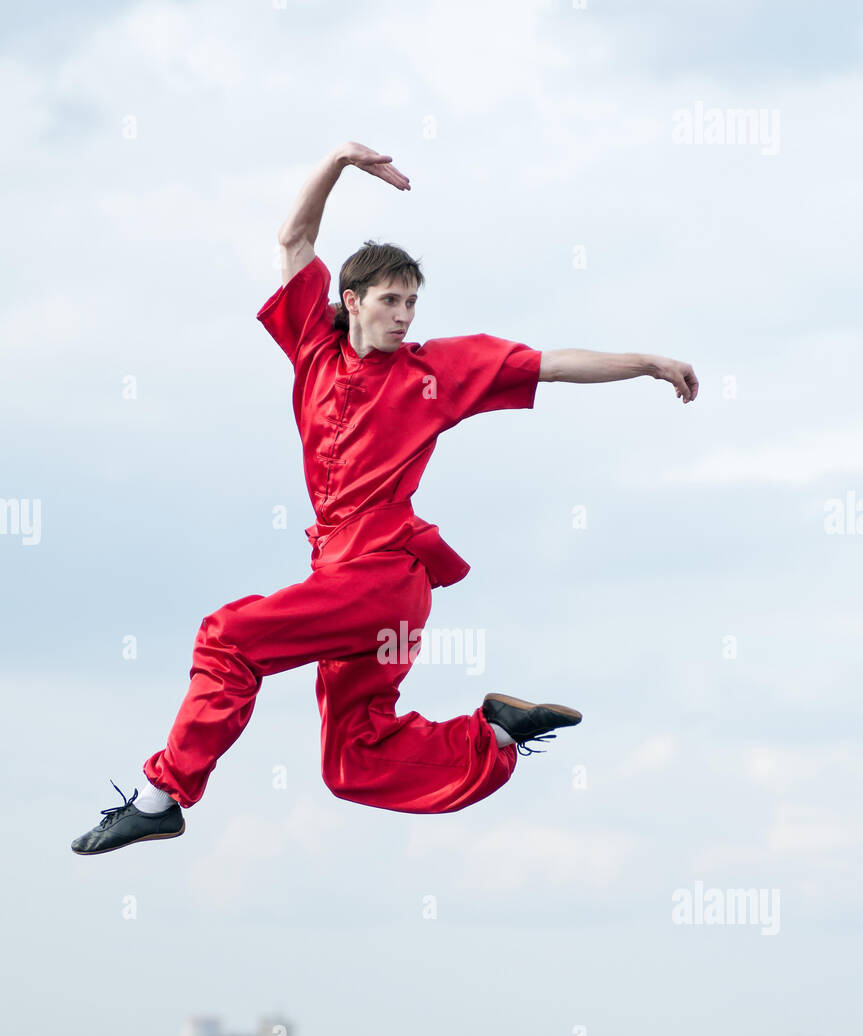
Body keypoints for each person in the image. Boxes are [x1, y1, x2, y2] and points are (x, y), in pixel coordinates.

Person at [71, 142, 697, 856]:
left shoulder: (438, 370)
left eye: (411, 302)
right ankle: (490, 732)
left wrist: (645, 362)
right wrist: (336, 162)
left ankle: (161, 797)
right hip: (341, 580)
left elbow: (551, 365)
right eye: (390, 300)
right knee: (353, 760)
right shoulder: (312, 343)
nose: (403, 315)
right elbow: (292, 239)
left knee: (227, 637)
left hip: (382, 578)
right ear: (352, 301)